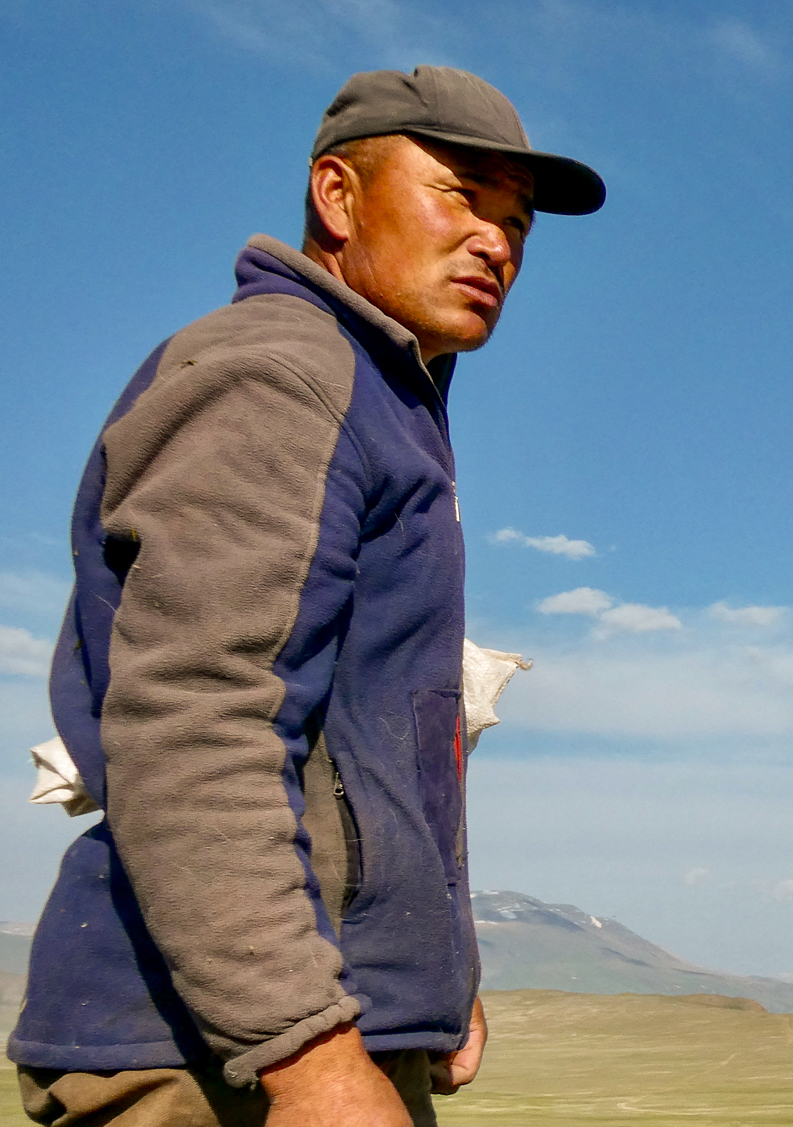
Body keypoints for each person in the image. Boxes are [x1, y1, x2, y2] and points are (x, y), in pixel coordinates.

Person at [8, 66, 604, 1127]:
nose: (498, 243)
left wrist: (433, 971)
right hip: (210, 1058)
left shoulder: (381, 403)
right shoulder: (279, 374)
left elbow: (377, 743)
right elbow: (197, 721)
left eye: (516, 221)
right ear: (336, 196)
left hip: (315, 1031)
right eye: (461, 196)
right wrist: (307, 1055)